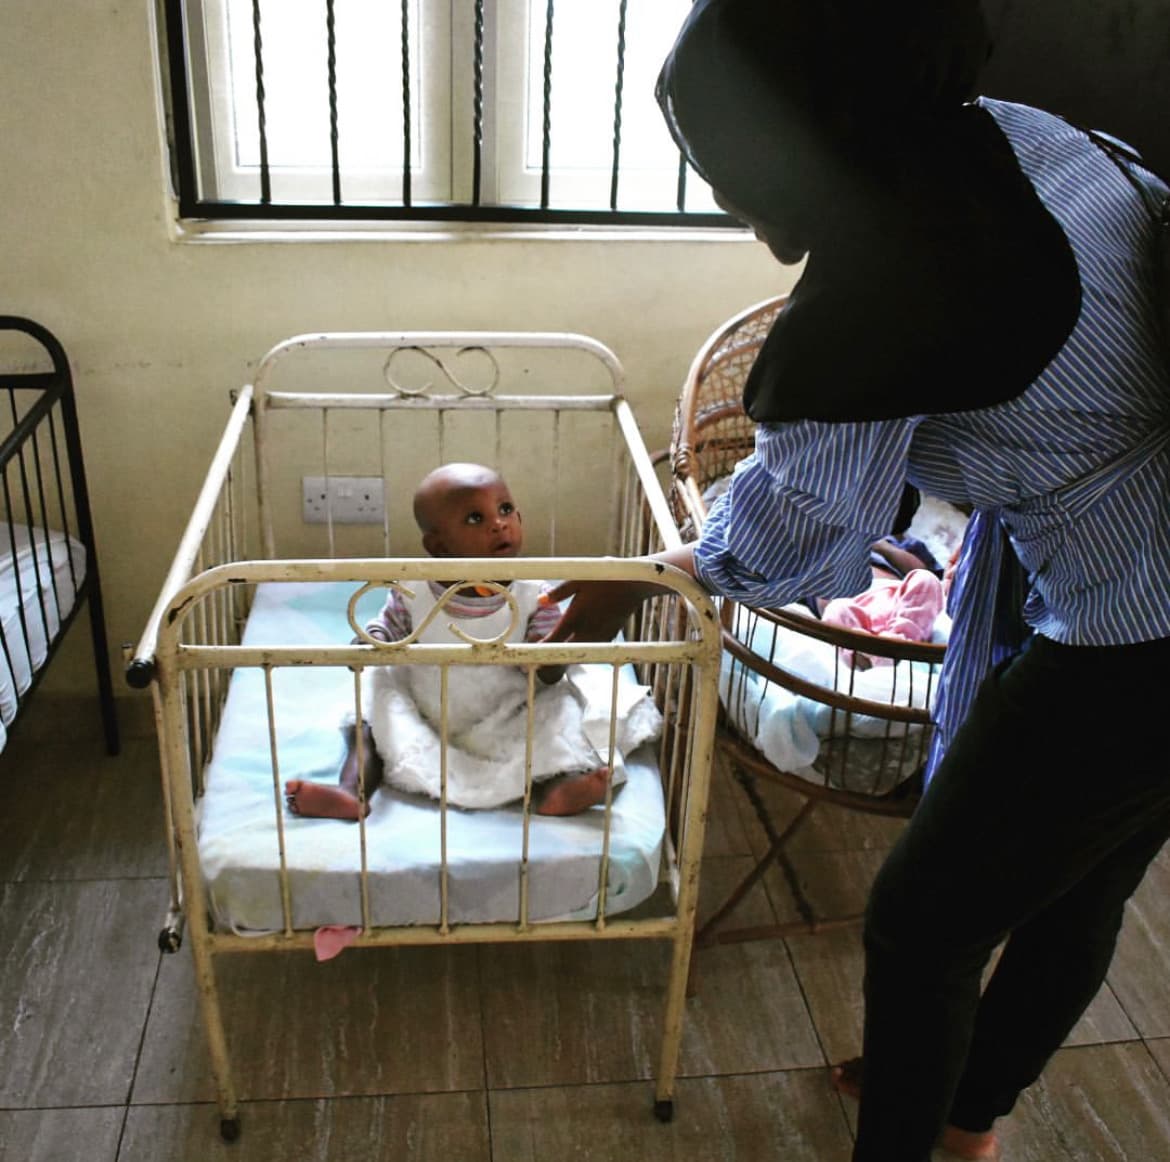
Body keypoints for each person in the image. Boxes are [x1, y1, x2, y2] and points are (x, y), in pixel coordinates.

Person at [542, 3, 1170, 1160]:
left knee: (923, 923)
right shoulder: (1025, 135)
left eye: (728, 166)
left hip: (1139, 634)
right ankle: (970, 1127)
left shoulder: (889, 291)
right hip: (1134, 568)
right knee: (1085, 884)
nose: (732, 200)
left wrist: (653, 572)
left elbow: (801, 536)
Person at [284, 462, 640, 821]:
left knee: (561, 715)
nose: (499, 523)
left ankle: (558, 787)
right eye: (475, 519)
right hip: (425, 708)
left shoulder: (536, 595)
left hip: (509, 713)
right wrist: (368, 646)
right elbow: (385, 631)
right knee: (370, 710)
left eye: (505, 510)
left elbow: (546, 673)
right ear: (438, 546)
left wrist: (557, 648)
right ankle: (351, 791)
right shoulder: (412, 590)